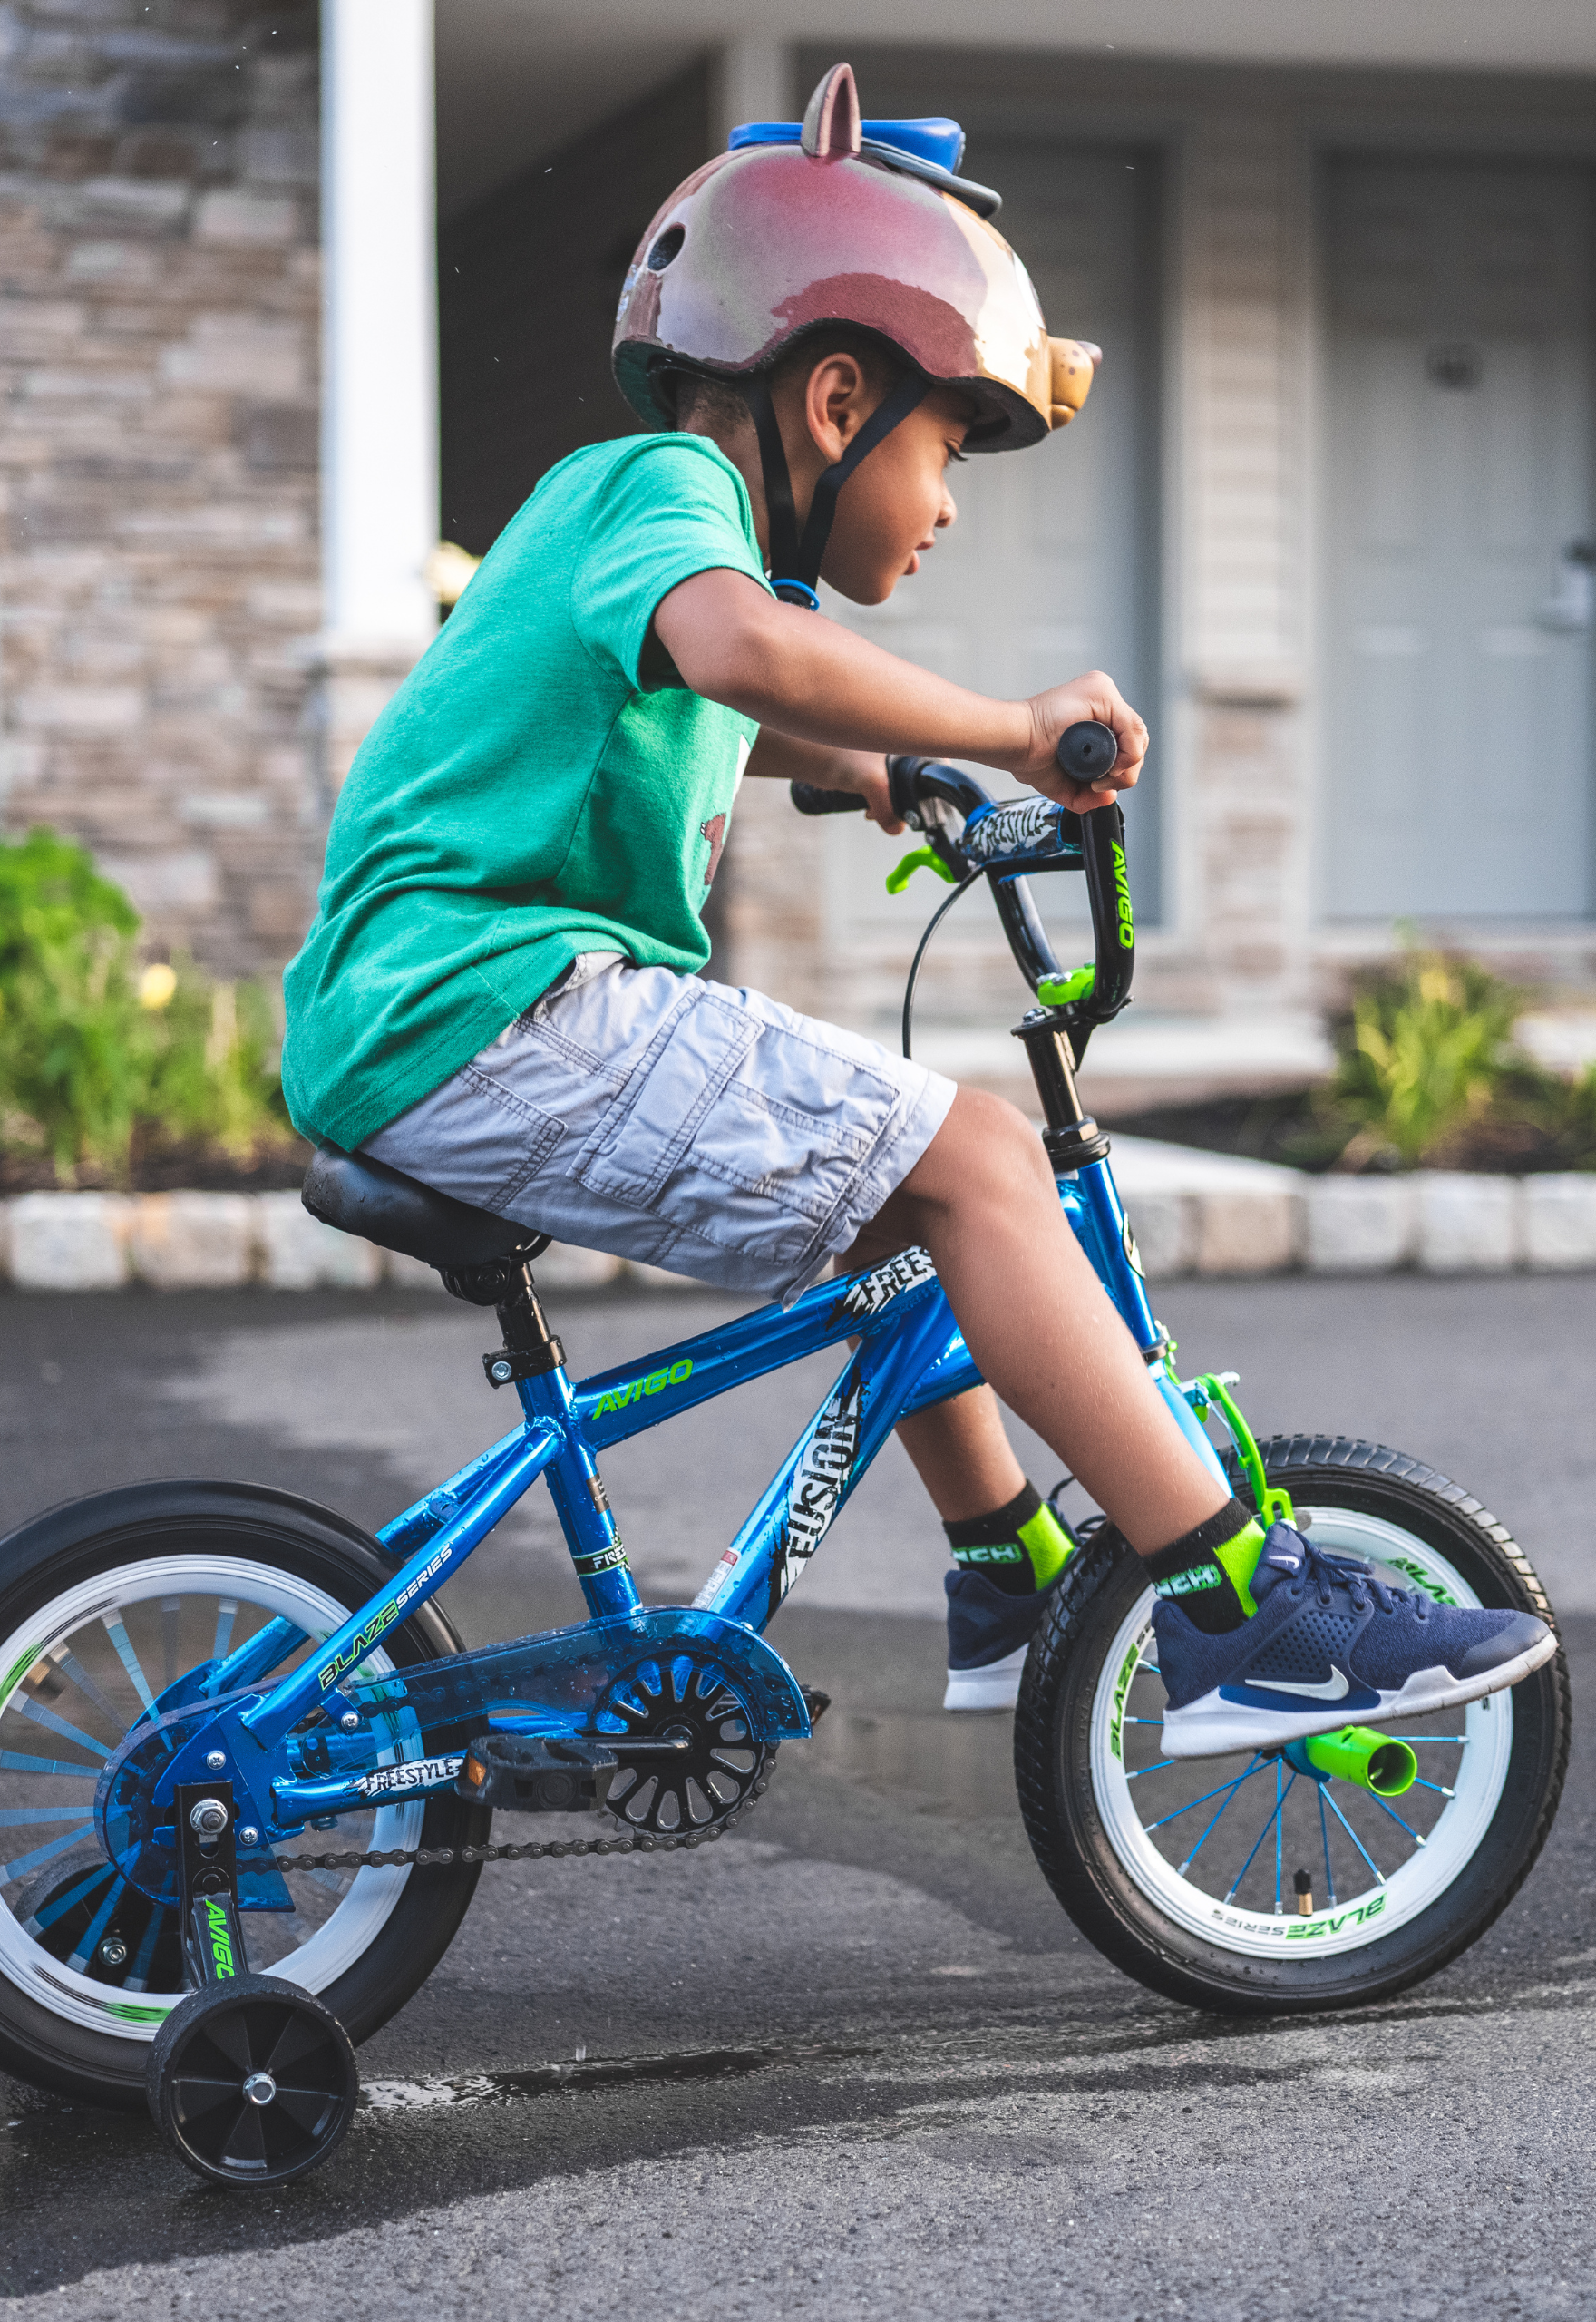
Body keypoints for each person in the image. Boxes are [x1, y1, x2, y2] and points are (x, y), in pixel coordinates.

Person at [281, 64, 1553, 1755]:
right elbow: (738, 649)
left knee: (904, 1195)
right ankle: (1249, 1615)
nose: (948, 503)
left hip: (449, 1017)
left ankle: (1005, 1566)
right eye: (948, 445)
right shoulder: (667, 497)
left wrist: (880, 775)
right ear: (832, 400)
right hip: (485, 1012)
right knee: (972, 1157)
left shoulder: (653, 535)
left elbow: (714, 689)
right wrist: (1008, 723)